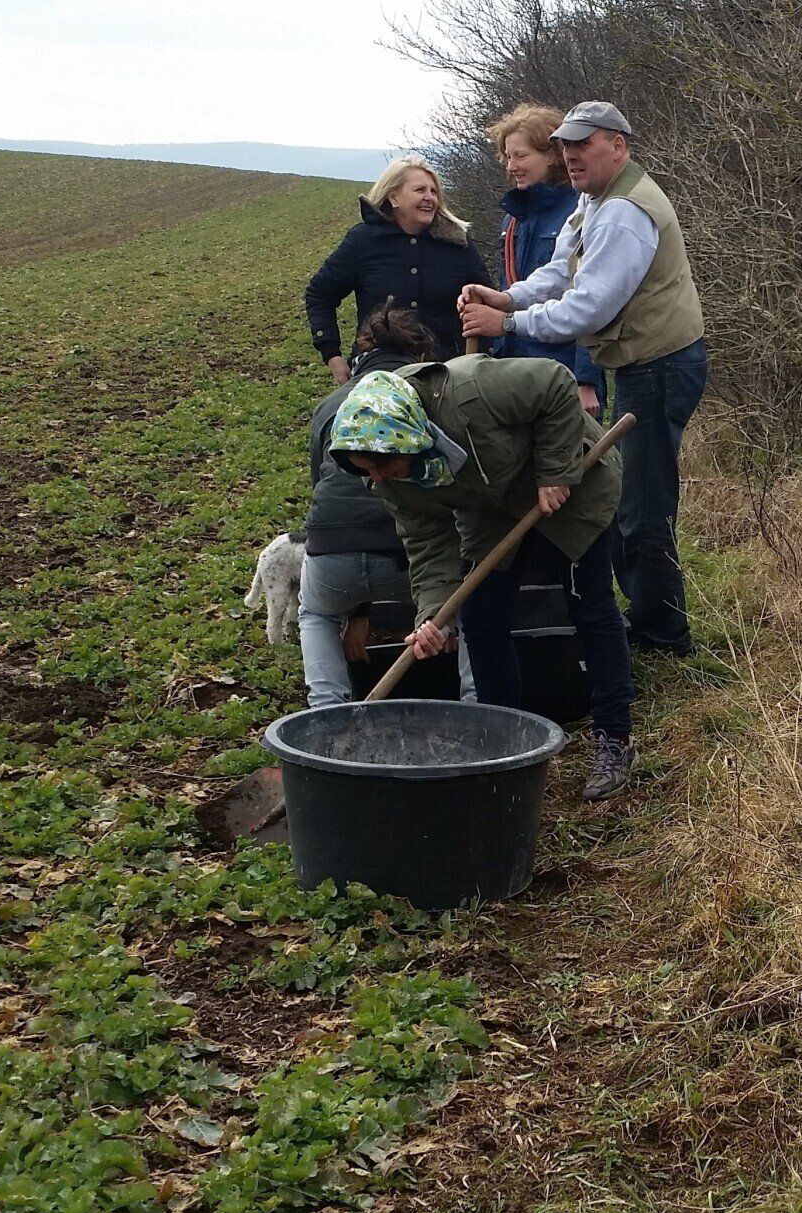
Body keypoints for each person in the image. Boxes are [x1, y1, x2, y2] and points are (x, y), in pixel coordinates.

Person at [458, 101, 707, 655]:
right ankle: (648, 621)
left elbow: (588, 308)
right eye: (566, 145)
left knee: (642, 509)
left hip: (660, 365)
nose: (571, 155)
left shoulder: (624, 212)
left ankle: (663, 637)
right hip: (641, 363)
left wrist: (509, 321)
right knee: (630, 501)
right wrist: (510, 293)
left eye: (583, 144)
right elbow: (562, 267)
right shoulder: (595, 201)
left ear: (617, 146)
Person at [328, 356, 638, 800]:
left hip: (575, 481)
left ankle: (614, 736)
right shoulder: (388, 475)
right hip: (491, 508)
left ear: (410, 440)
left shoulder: (475, 391)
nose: (374, 479)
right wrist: (435, 615)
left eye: (381, 467)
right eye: (365, 469)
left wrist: (554, 471)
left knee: (588, 604)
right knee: (482, 616)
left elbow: (556, 383)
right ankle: (506, 744)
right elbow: (429, 545)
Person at [299, 304, 474, 707]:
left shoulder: (332, 405)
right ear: (420, 356)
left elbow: (320, 485)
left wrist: (356, 612)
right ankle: (476, 703)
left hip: (331, 550)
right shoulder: (430, 395)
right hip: (408, 552)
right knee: (470, 608)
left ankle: (326, 710)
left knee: (316, 614)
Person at [305, 155, 490, 382]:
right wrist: (332, 354)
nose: (429, 198)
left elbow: (486, 299)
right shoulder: (363, 241)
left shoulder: (458, 244)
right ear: (393, 197)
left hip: (446, 376)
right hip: (379, 374)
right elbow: (320, 294)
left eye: (434, 191)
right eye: (420, 190)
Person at [487, 104, 607, 416]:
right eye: (508, 157)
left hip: (562, 369)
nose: (512, 166)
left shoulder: (580, 211)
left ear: (552, 155)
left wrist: (586, 380)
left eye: (521, 156)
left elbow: (589, 298)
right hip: (513, 365)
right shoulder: (512, 221)